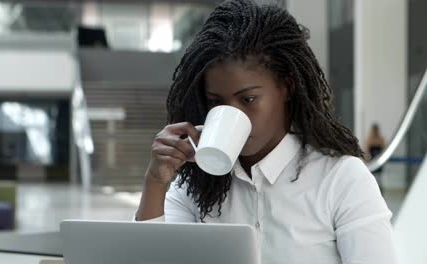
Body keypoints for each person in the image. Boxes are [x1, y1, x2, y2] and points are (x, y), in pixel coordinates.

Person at [136, 1, 397, 263]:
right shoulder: (196, 184)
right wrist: (155, 182)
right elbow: (155, 258)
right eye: (216, 102)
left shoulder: (340, 178)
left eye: (248, 99)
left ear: (286, 88)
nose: (231, 113)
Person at [365, 123, 386, 193]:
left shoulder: (381, 139)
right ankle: (373, 191)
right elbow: (367, 152)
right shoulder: (369, 139)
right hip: (372, 161)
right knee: (373, 178)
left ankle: (379, 192)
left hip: (378, 162)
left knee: (379, 179)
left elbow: (383, 151)